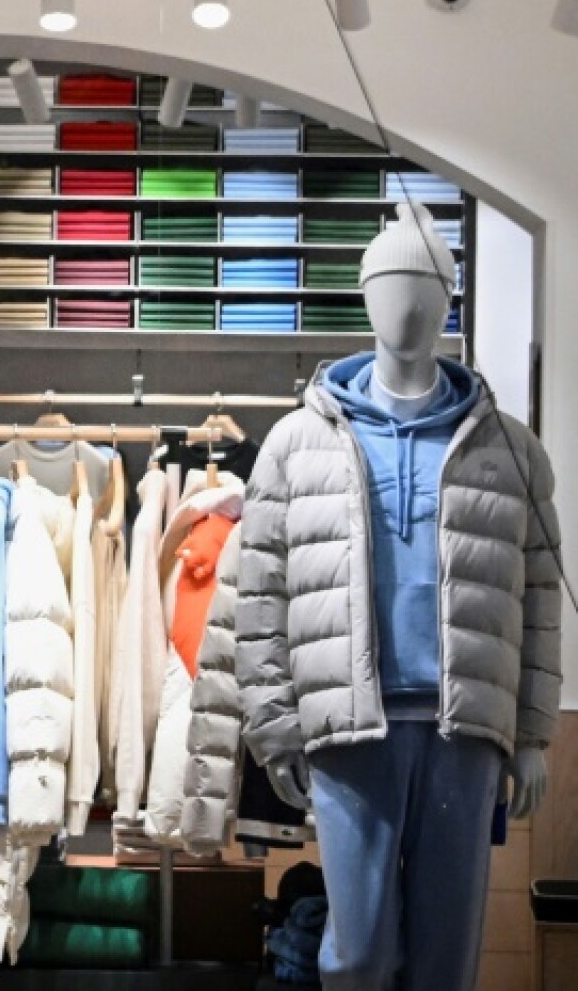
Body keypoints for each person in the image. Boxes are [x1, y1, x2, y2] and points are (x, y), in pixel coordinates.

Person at [235, 202, 561, 991]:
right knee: (359, 952)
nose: (405, 304)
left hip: (465, 727)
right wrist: (275, 724)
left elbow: (541, 595)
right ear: (364, 293)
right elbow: (258, 595)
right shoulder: (298, 441)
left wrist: (534, 733)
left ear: (449, 299)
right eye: (389, 285)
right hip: (352, 727)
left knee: (449, 952)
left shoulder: (510, 448)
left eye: (422, 287)